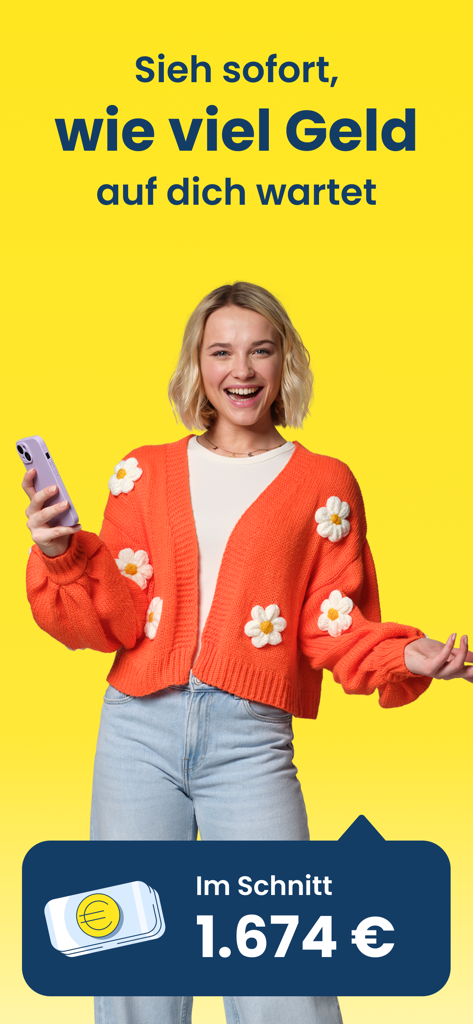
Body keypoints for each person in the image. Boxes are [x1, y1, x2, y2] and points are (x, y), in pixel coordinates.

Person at [23, 282, 472, 1024]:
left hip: (250, 737)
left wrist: (403, 656)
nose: (242, 369)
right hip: (136, 730)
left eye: (260, 350)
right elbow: (113, 621)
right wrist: (62, 553)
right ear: (196, 367)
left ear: (283, 363)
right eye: (220, 350)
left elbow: (331, 622)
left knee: (281, 966)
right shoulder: (142, 472)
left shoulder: (325, 485)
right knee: (131, 957)